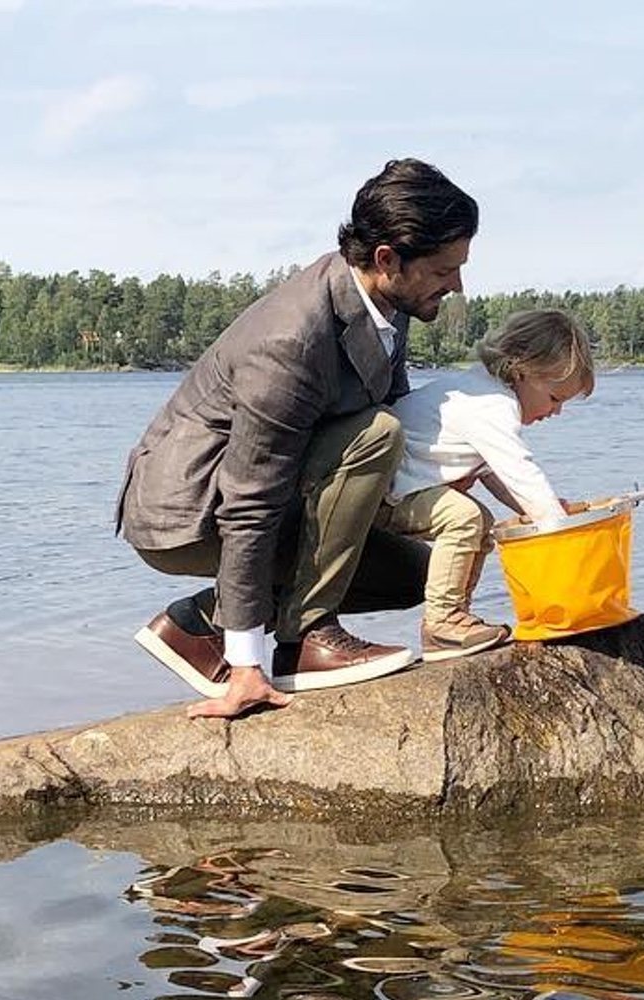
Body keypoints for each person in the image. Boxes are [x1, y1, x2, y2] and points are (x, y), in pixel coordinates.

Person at [117, 158, 475, 718]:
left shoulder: (390, 302)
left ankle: (198, 624)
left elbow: (392, 412)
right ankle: (304, 636)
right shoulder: (291, 339)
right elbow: (250, 502)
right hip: (190, 509)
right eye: (442, 270)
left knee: (418, 575)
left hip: (269, 490)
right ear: (387, 260)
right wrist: (246, 668)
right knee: (377, 435)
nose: (455, 285)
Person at [382, 308, 596, 661]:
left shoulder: (478, 389)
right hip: (381, 494)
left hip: (398, 489)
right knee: (465, 517)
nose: (555, 411)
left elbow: (494, 474)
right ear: (521, 371)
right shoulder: (492, 404)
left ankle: (455, 617)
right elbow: (519, 471)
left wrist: (546, 507)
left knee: (479, 522)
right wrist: (557, 525)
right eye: (555, 398)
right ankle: (443, 622)